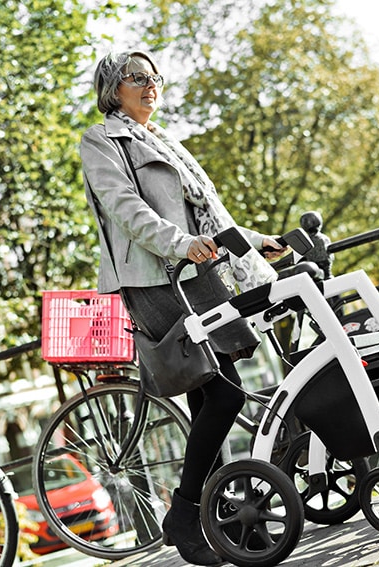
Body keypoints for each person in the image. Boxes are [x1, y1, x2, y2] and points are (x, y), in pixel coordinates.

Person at [79, 49, 285, 566]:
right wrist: (179, 243)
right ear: (112, 88)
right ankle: (185, 511)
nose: (150, 85)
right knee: (224, 396)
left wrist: (256, 241)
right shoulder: (101, 140)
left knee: (208, 399)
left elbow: (207, 213)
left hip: (198, 274)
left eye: (154, 78)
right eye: (136, 78)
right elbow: (125, 209)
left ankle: (224, 524)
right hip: (153, 280)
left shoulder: (164, 140)